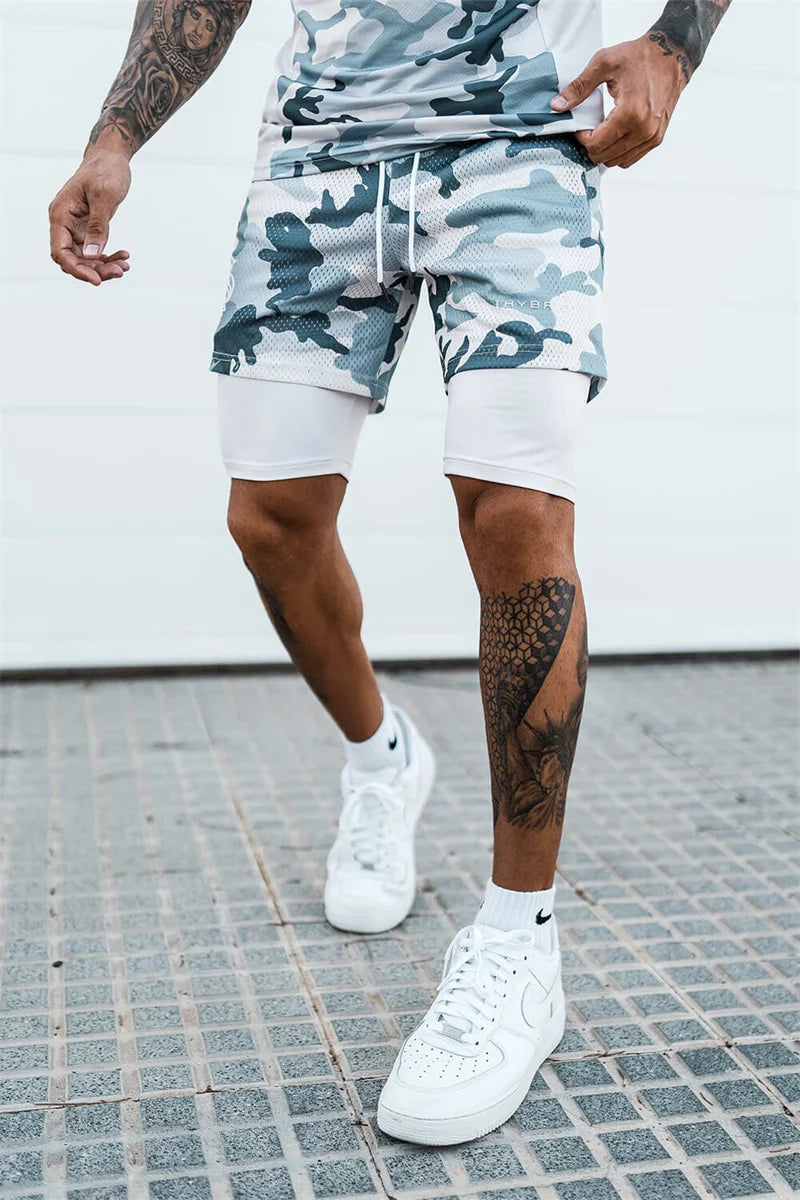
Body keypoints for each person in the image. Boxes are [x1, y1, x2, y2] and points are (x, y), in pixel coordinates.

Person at [48, 0, 731, 1147]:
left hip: (523, 138)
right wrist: (115, 136)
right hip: (319, 149)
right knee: (271, 519)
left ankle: (518, 938)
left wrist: (674, 42)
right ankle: (382, 758)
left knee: (515, 511)